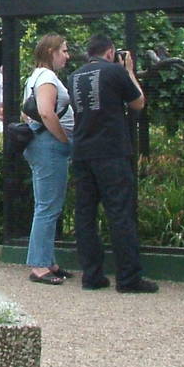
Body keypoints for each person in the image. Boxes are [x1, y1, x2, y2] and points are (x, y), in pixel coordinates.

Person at [70, 34, 158, 294]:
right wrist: (129, 71)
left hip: (82, 152)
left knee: (84, 215)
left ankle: (91, 275)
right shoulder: (114, 72)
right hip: (111, 152)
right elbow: (138, 102)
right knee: (120, 213)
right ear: (109, 52)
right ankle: (128, 278)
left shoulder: (74, 76)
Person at [21, 34, 76, 285]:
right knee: (47, 207)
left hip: (40, 144)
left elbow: (28, 114)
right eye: (64, 51)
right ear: (51, 51)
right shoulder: (47, 78)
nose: (67, 55)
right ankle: (40, 265)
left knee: (47, 205)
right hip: (49, 146)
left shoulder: (35, 76)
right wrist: (64, 139)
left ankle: (47, 260)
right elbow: (45, 111)